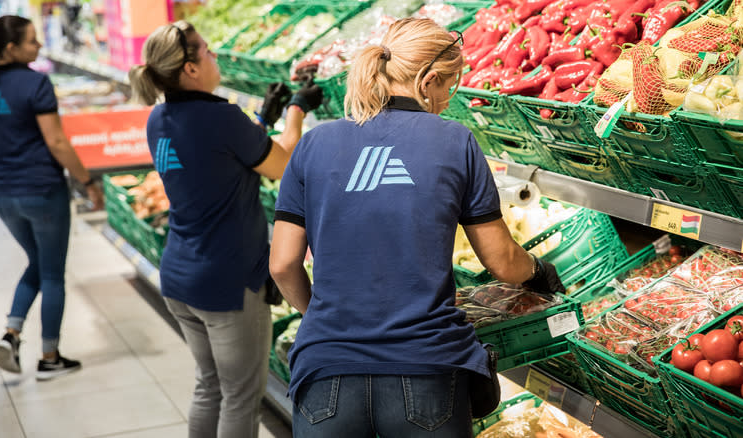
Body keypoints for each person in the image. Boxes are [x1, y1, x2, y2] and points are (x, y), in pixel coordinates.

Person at [269, 18, 565, 438]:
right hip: (426, 371)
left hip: (327, 371)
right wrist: (538, 272)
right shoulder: (455, 141)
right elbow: (501, 260)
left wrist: (325, 319)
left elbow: (282, 265)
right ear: (428, 80)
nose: (447, 99)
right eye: (449, 86)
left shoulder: (315, 143)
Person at [127, 20, 322, 438]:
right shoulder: (221, 118)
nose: (215, 56)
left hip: (180, 275)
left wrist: (260, 120)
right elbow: (282, 165)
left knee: (209, 386)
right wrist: (296, 111)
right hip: (227, 282)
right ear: (191, 69)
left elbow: (215, 158)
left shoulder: (158, 118)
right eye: (208, 51)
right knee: (239, 397)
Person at [0, 15, 104, 381]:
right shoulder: (36, 83)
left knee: (38, 263)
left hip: (4, 194)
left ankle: (11, 334)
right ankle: (49, 356)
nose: (39, 46)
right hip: (43, 190)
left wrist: (7, 178)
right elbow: (56, 142)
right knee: (53, 273)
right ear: (11, 48)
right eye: (32, 41)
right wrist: (88, 181)